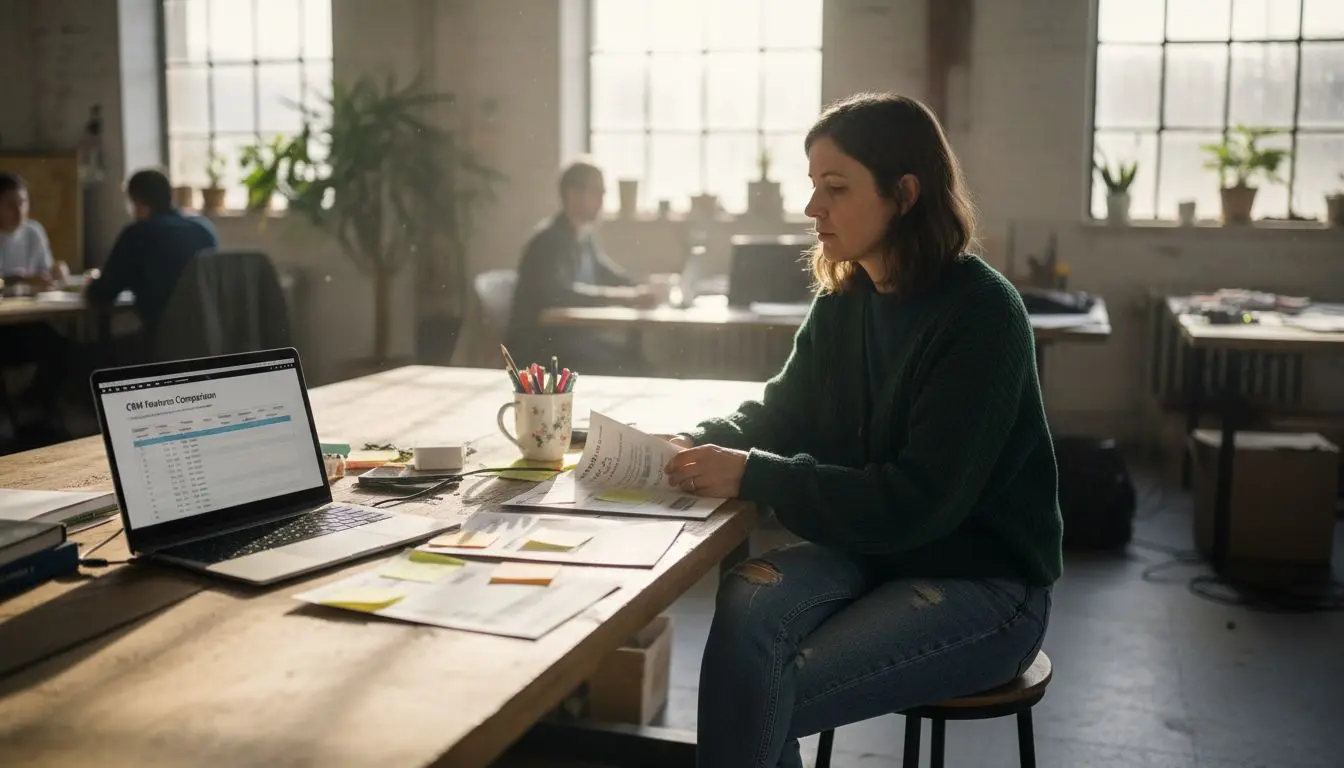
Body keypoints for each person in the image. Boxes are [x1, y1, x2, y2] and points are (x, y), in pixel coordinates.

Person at [660, 93, 1062, 768]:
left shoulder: (982, 315)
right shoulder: (844, 301)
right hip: (874, 553)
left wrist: (754, 472)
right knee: (748, 601)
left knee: (757, 691)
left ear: (904, 193)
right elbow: (782, 412)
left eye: (835, 188)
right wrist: (696, 441)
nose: (813, 208)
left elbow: (917, 501)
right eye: (813, 186)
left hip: (984, 584)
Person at [504, 159, 653, 375]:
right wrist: (625, 297)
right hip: (543, 349)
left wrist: (639, 285)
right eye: (596, 192)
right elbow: (561, 294)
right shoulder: (549, 241)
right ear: (573, 194)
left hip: (569, 342)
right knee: (631, 365)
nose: (602, 200)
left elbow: (604, 270)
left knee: (633, 360)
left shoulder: (583, 235)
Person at [83, 166, 220, 365]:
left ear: (137, 202)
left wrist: (91, 283)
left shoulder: (138, 233)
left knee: (81, 357)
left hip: (163, 344)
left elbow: (102, 293)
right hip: (209, 341)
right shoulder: (204, 228)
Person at [0, 172, 69, 428]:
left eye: (23, 202)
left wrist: (56, 273)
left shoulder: (33, 231)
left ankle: (38, 409)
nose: (19, 210)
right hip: (2, 326)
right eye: (10, 203)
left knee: (61, 348)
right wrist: (21, 279)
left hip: (26, 321)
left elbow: (46, 275)